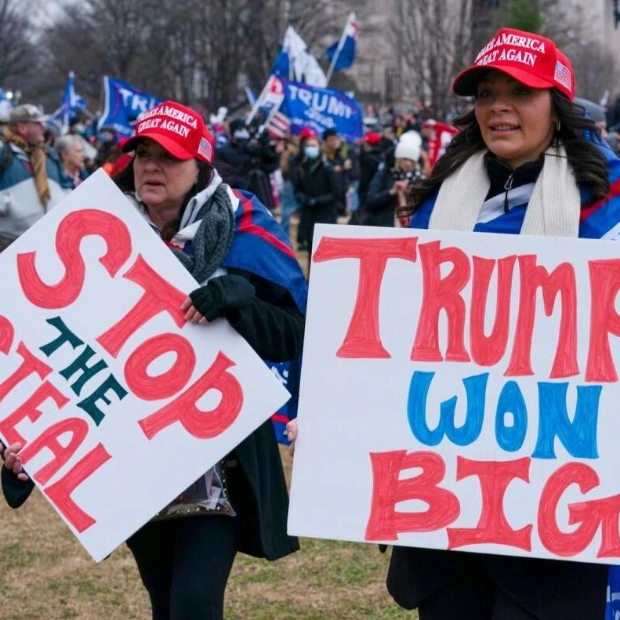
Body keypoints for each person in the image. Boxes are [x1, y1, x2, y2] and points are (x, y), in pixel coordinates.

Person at [1, 99, 307, 620]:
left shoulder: (244, 227)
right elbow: (46, 347)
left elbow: (293, 333)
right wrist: (22, 445)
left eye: (167, 156)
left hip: (220, 463)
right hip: (133, 463)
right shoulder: (95, 230)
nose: (151, 166)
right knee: (164, 600)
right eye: (143, 153)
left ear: (200, 165)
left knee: (193, 604)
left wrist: (239, 303)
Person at [386, 27, 620, 620]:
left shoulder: (610, 203)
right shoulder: (442, 201)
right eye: (487, 93)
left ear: (558, 108)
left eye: (521, 92)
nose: (499, 107)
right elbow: (393, 334)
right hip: (448, 504)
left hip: (555, 509)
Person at [0, 104, 72, 252]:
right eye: (37, 123)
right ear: (22, 128)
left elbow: (67, 187)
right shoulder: (4, 151)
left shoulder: (49, 155)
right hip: (9, 242)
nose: (43, 127)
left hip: (48, 239)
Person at [360, 130, 426, 227]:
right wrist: (391, 192)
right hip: (385, 225)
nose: (407, 163)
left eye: (411, 160)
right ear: (398, 159)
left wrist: (411, 193)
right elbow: (370, 199)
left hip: (412, 227)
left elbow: (426, 206)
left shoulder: (420, 178)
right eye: (404, 159)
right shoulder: (386, 174)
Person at [291, 128, 342, 253]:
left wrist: (317, 201)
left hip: (326, 215)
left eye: (313, 145)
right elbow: (297, 188)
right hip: (308, 216)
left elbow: (336, 192)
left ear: (319, 146)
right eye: (307, 145)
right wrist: (302, 197)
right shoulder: (302, 168)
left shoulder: (328, 168)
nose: (310, 148)